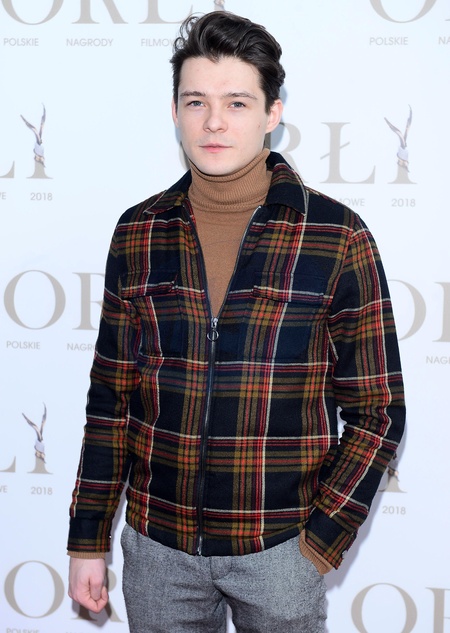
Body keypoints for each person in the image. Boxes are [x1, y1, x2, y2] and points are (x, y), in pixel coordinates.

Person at [67, 11, 406, 633]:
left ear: (273, 113)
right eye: (196, 101)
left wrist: (319, 541)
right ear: (175, 111)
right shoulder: (138, 231)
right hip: (158, 551)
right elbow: (111, 399)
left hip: (281, 550)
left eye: (237, 102)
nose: (214, 122)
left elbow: (378, 410)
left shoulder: (335, 236)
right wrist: (88, 538)